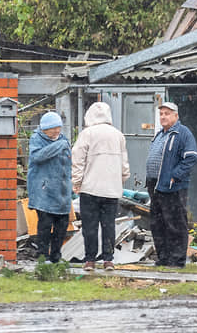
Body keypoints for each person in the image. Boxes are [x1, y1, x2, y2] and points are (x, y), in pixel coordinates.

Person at [72, 102, 129, 272]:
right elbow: (124, 165)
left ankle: (90, 260)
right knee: (108, 225)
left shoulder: (87, 134)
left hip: (90, 189)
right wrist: (121, 180)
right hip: (111, 190)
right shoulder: (118, 135)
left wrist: (77, 182)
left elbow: (78, 160)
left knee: (90, 226)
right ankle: (108, 260)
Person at [146, 101, 197, 268]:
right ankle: (163, 258)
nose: (163, 117)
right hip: (156, 185)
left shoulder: (183, 133)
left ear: (176, 115)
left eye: (167, 113)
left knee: (175, 223)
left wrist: (174, 176)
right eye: (161, 114)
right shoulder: (160, 134)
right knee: (157, 224)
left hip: (173, 186)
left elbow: (191, 158)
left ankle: (177, 260)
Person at [27, 112, 72, 263]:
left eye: (59, 128)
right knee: (45, 225)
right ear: (45, 128)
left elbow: (69, 163)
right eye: (53, 128)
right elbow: (37, 157)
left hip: (62, 190)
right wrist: (59, 145)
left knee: (62, 225)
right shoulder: (36, 139)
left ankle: (56, 256)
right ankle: (42, 256)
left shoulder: (63, 140)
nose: (57, 131)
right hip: (43, 191)